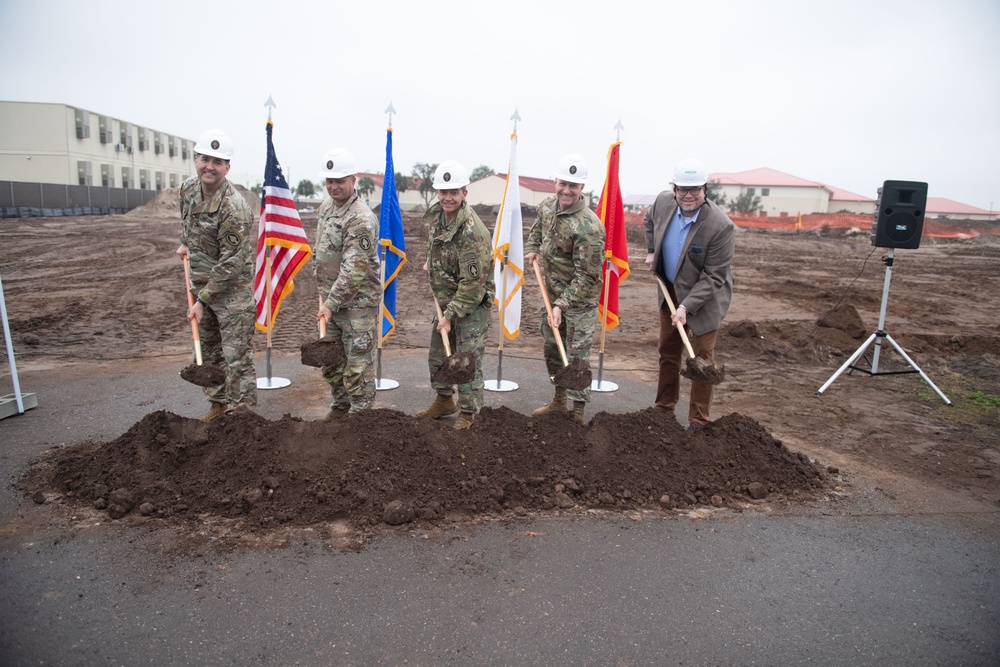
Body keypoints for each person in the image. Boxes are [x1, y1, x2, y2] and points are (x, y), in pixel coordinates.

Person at [643, 158, 735, 430]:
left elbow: (714, 276)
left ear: (705, 190)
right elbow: (649, 220)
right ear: (674, 189)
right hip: (670, 289)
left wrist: (686, 307)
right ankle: (664, 407)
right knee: (668, 350)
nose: (688, 195)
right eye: (683, 189)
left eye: (695, 189)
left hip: (705, 298)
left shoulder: (720, 225)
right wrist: (651, 250)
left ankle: (698, 419)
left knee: (702, 360)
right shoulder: (663, 203)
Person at [176, 129, 257, 422]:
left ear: (227, 168)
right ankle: (219, 405)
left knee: (236, 358)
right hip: (201, 285)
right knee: (209, 352)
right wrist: (186, 241)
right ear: (195, 159)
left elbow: (231, 263)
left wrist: (202, 300)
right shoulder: (187, 189)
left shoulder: (234, 207)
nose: (209, 166)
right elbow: (188, 219)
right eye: (204, 159)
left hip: (231, 293)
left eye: (217, 161)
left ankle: (243, 418)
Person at [524, 153, 605, 426]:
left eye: (574, 186)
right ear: (555, 181)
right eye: (563, 184)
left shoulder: (589, 227)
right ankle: (559, 400)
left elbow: (587, 277)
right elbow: (537, 230)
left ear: (583, 188)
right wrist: (533, 248)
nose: (566, 190)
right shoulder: (548, 206)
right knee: (551, 348)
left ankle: (578, 412)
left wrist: (562, 305)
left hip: (579, 302)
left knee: (577, 357)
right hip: (552, 295)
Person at [417, 160, 494, 430]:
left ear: (464, 193)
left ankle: (468, 413)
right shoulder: (438, 218)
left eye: (454, 192)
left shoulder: (473, 232)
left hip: (471, 305)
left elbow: (473, 286)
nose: (447, 197)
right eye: (443, 191)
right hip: (447, 300)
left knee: (465, 361)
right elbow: (438, 248)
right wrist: (432, 262)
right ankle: (444, 400)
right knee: (438, 355)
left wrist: (449, 316)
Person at [313, 148, 381, 420]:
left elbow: (355, 268)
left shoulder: (361, 217)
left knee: (357, 368)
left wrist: (330, 302)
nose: (333, 186)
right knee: (331, 362)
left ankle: (361, 419)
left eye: (339, 181)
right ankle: (340, 408)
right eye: (329, 181)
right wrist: (324, 294)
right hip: (331, 302)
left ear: (354, 180)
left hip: (356, 305)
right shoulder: (327, 208)